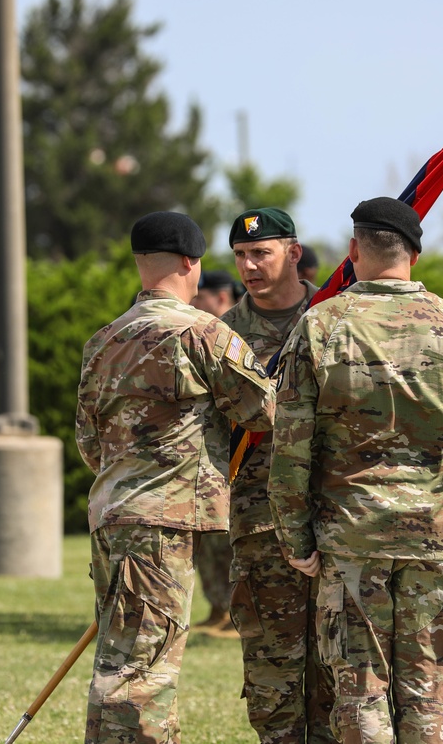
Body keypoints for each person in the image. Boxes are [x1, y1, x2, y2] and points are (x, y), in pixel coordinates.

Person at [268, 196, 443, 744]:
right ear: (415, 256)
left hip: (351, 541)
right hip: (436, 539)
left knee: (360, 702)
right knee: (428, 699)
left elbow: (291, 448)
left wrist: (295, 536)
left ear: (354, 252)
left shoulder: (319, 327)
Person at [75, 211, 275, 743]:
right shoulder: (202, 332)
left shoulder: (104, 339)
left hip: (114, 515)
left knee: (121, 660)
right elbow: (263, 412)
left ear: (141, 264)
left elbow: (88, 439)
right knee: (144, 671)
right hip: (161, 523)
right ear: (191, 262)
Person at [224, 206, 333, 743]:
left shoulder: (336, 315)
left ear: (292, 252)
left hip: (333, 518)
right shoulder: (222, 336)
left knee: (339, 667)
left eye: (261, 253)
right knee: (272, 668)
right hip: (259, 524)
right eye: (241, 256)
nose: (250, 266)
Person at [189, 268, 246, 638]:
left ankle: (232, 611)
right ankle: (216, 607)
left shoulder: (230, 335)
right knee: (208, 546)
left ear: (220, 297)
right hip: (207, 461)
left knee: (228, 544)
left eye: (200, 296)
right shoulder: (196, 332)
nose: (194, 302)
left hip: (236, 458)